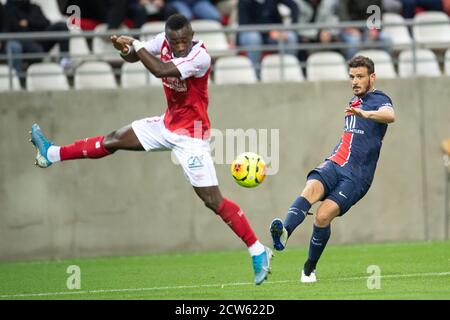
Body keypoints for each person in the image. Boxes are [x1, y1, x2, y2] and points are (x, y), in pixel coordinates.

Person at [29, 13, 272, 285]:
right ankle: (51, 154)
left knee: (213, 201)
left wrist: (136, 44)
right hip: (166, 125)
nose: (179, 46)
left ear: (191, 37)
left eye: (183, 40)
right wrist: (125, 50)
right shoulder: (163, 42)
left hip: (191, 137)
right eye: (174, 41)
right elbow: (135, 58)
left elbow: (160, 70)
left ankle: (258, 250)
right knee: (113, 139)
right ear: (168, 37)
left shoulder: (200, 57)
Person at [269, 56, 395, 283]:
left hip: (357, 176)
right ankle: (284, 233)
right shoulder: (353, 101)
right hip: (334, 162)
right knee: (309, 190)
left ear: (372, 78)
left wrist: (367, 114)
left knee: (322, 216)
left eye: (360, 77)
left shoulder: (379, 99)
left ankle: (309, 268)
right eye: (351, 77)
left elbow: (390, 116)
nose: (355, 81)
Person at [3, 0, 71, 78]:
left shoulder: (35, 7)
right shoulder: (9, 9)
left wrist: (28, 23)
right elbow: (11, 28)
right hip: (23, 42)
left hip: (40, 38)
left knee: (61, 26)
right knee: (35, 49)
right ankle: (27, 77)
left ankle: (64, 63)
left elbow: (45, 23)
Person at [237, 0, 299, 78]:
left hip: (271, 34)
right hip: (249, 34)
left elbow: (294, 5)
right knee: (254, 38)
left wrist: (289, 28)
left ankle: (289, 73)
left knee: (290, 36)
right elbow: (245, 24)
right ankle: (256, 76)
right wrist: (269, 31)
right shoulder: (243, 2)